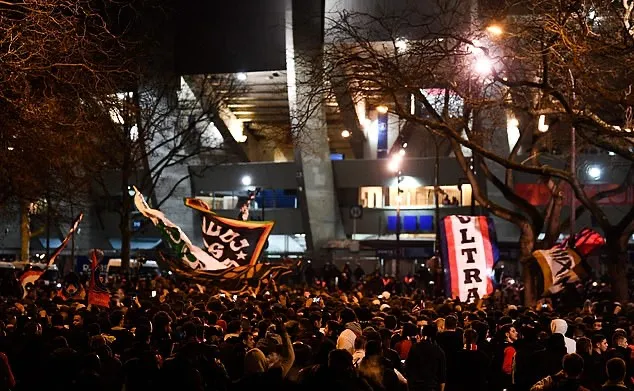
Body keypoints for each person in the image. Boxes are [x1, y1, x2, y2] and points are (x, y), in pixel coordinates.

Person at [406, 323, 447, 391]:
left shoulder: (414, 348)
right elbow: (442, 376)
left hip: (416, 386)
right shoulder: (439, 351)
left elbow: (408, 369)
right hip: (432, 386)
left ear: (422, 333)